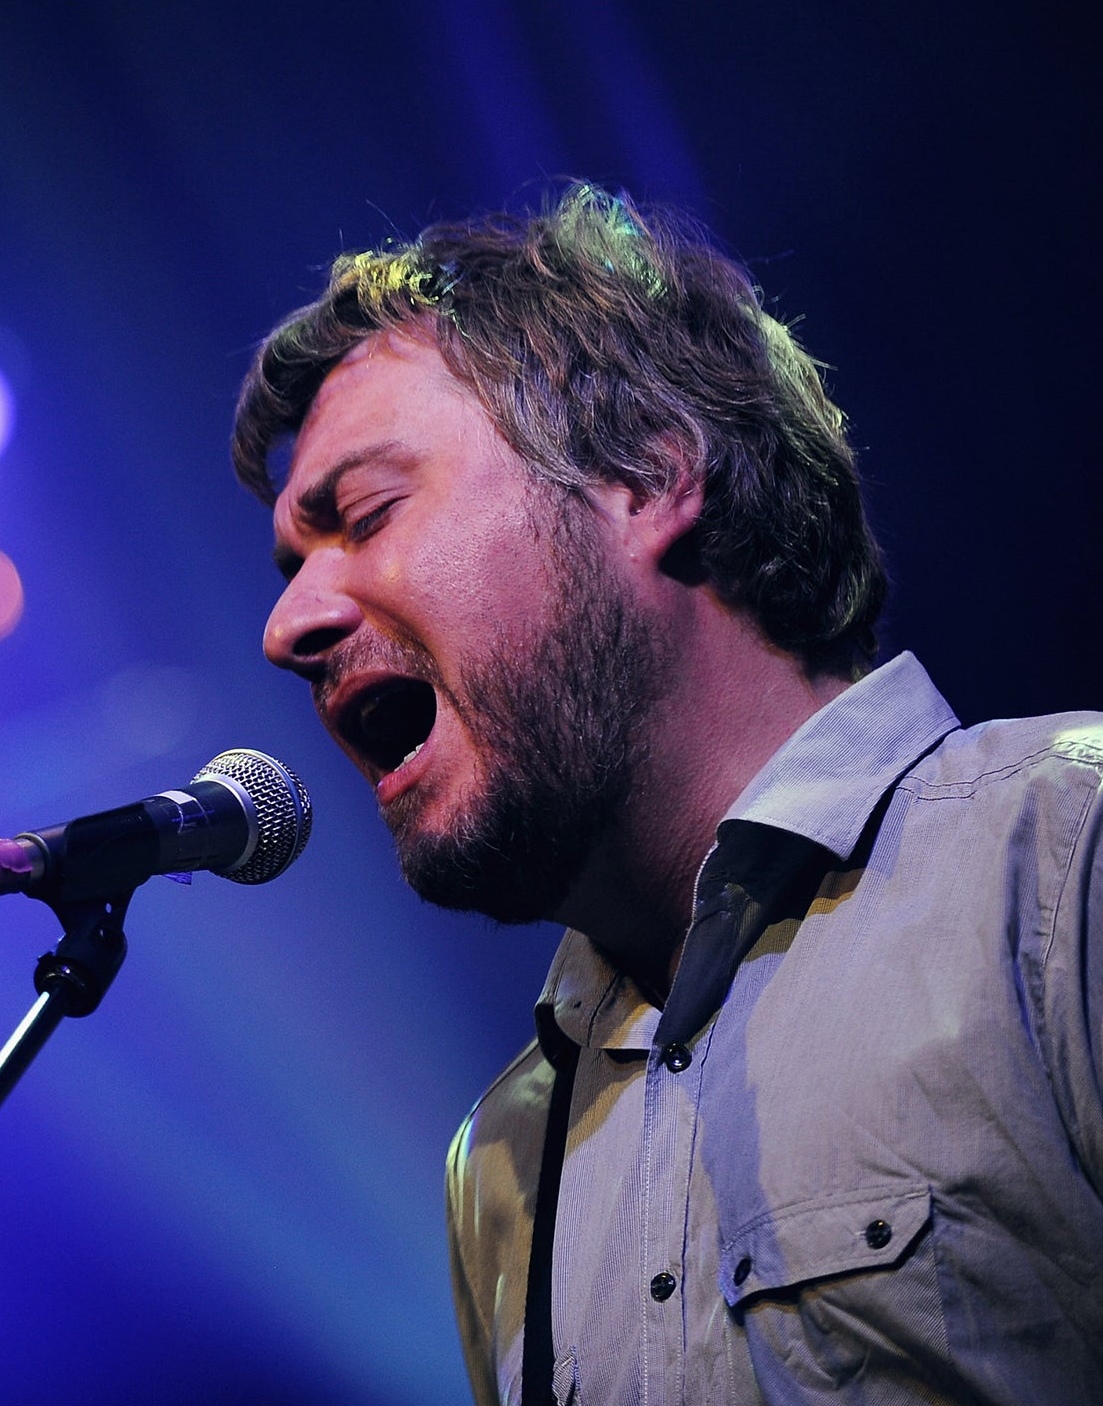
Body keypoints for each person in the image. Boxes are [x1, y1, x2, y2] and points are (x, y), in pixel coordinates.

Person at [233, 184, 1103, 1404]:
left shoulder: (1062, 857)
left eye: (365, 513)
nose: (285, 626)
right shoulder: (501, 1163)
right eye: (290, 563)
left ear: (641, 475)